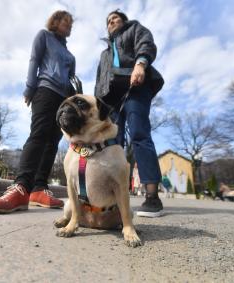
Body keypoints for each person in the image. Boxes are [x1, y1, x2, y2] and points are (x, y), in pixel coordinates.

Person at [0, 10, 76, 213]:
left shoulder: (71, 56)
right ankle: (21, 187)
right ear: (55, 21)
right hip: (45, 90)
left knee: (53, 142)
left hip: (63, 100)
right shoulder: (44, 36)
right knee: (39, 135)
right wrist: (29, 88)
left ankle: (39, 189)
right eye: (66, 22)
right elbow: (34, 60)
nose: (69, 26)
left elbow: (72, 79)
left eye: (71, 24)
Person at [95, 10, 165, 218]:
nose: (111, 22)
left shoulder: (134, 29)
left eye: (115, 18)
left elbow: (146, 44)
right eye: (108, 21)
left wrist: (140, 64)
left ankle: (152, 196)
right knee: (112, 146)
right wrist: (97, 108)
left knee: (139, 135)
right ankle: (114, 197)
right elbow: (100, 80)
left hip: (136, 87)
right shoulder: (104, 53)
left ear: (123, 21)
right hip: (111, 100)